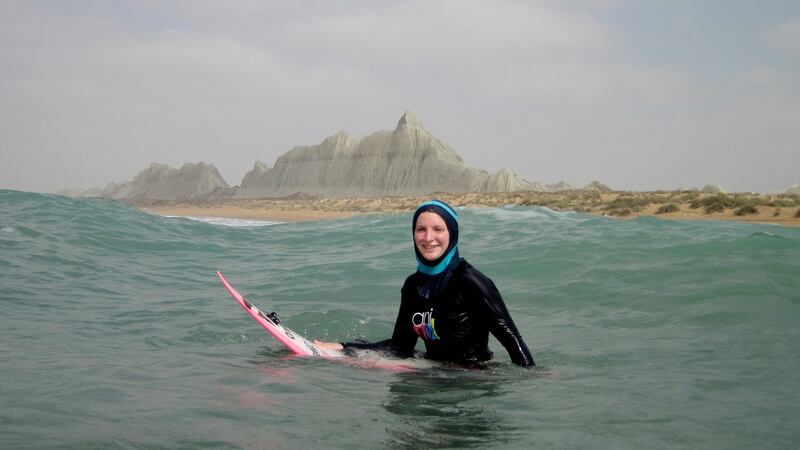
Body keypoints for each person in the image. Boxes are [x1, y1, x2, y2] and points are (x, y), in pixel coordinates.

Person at [315, 199, 534, 367]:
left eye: (438, 229)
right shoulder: (413, 286)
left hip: (472, 381)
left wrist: (533, 379)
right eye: (421, 229)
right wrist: (344, 347)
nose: (428, 237)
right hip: (432, 372)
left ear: (452, 234)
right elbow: (400, 347)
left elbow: (513, 342)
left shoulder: (470, 281)